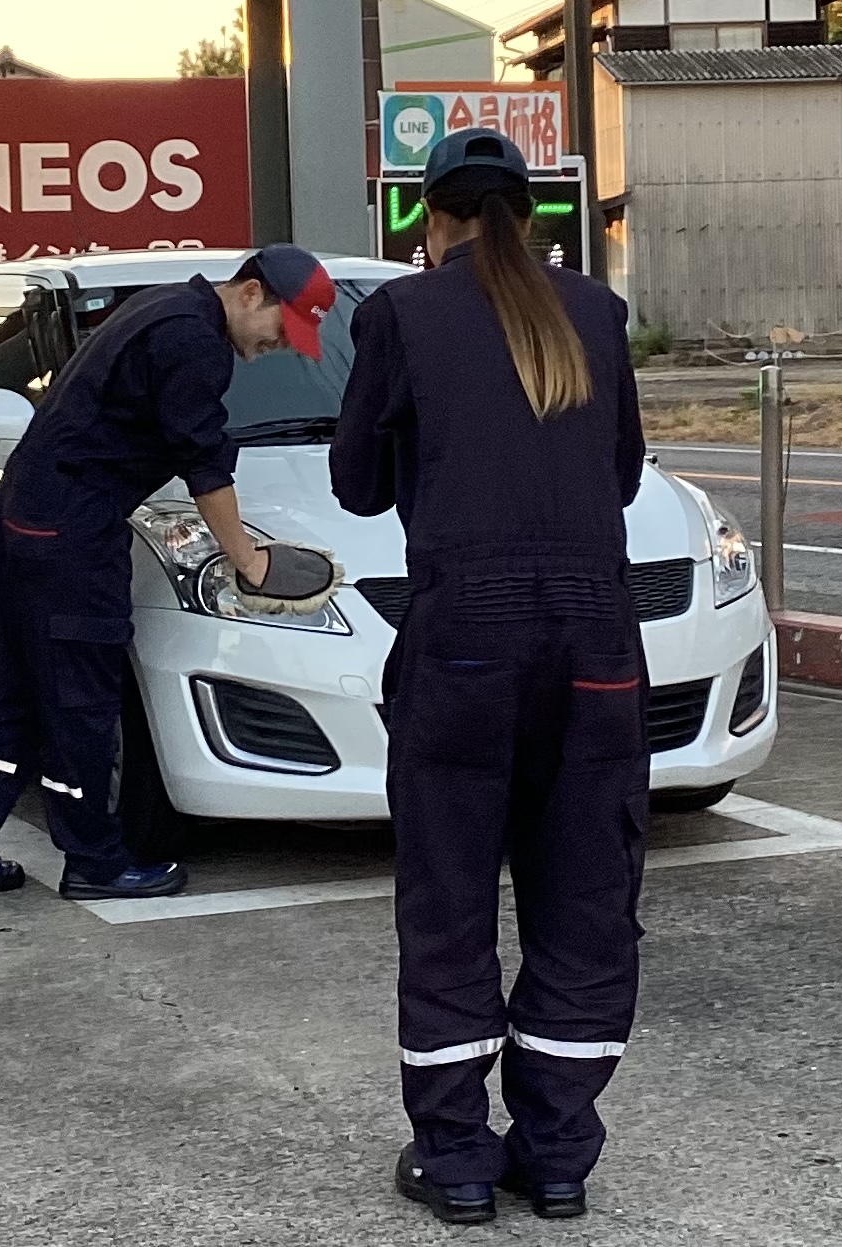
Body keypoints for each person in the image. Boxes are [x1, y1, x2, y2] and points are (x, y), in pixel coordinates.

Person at [330, 130, 649, 1224]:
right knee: (585, 892)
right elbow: (619, 471)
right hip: (597, 634)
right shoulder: (594, 314)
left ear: (433, 218)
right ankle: (557, 1151)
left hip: (465, 629)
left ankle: (458, 1156)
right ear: (532, 211)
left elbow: (359, 485)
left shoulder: (402, 314)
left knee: (450, 894)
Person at [0, 245, 337, 901]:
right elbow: (205, 465)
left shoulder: (163, 307)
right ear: (252, 294)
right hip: (71, 532)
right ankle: (95, 861)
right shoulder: (195, 341)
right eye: (285, 329)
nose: (283, 346)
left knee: (13, 694)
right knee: (83, 703)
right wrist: (249, 561)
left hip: (26, 515)